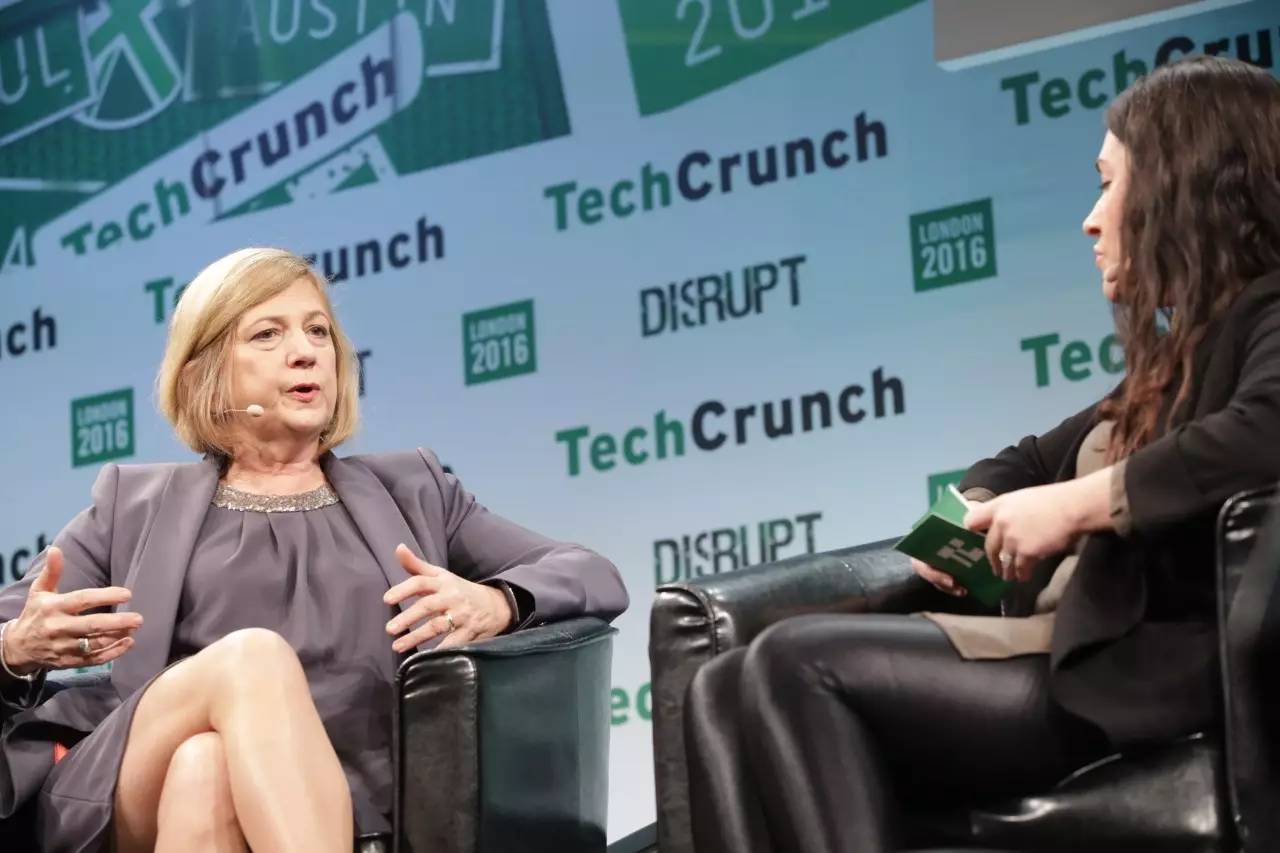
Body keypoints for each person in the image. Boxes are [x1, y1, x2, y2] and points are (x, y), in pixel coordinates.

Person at [684, 55, 1280, 853]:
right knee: (718, 688)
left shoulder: (1268, 310)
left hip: (1128, 672)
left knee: (797, 662)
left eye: (1108, 184)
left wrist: (1074, 505)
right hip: (1055, 646)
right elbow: (1024, 461)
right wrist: (962, 520)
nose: (1091, 220)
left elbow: (1263, 428)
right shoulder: (1173, 360)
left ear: (1183, 188)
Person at [0, 247, 629, 852]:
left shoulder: (415, 489)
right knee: (250, 660)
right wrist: (17, 648)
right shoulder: (130, 505)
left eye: (318, 331)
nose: (305, 352)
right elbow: (13, 624)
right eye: (267, 334)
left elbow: (592, 574)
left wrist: (499, 602)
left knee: (205, 768)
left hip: (353, 793)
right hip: (130, 786)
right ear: (204, 374)